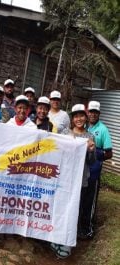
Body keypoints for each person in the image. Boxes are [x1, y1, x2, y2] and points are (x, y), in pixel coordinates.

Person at [51, 104, 96, 258]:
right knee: (61, 209)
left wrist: (91, 151)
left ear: (85, 117)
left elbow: (91, 161)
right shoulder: (64, 133)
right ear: (72, 118)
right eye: (76, 116)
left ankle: (67, 243)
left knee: (75, 211)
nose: (79, 119)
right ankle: (55, 238)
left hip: (80, 181)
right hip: (63, 179)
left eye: (81, 116)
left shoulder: (90, 137)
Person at [84, 100, 113, 239]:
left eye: (95, 112)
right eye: (91, 112)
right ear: (87, 112)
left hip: (93, 173)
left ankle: (88, 230)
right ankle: (79, 227)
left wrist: (97, 153)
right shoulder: (83, 126)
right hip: (82, 171)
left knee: (90, 201)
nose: (93, 114)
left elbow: (109, 153)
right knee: (81, 199)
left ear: (99, 113)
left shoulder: (103, 129)